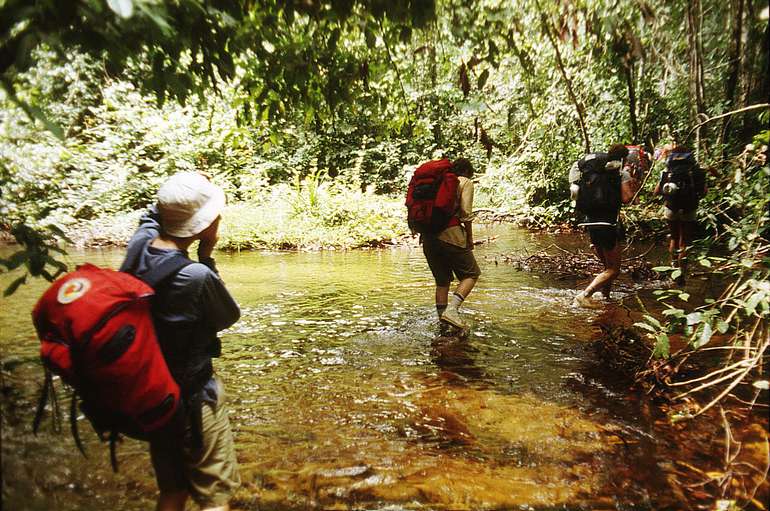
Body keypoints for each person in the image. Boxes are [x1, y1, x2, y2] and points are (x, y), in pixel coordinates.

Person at [119, 172, 241, 511]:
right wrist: (207, 255)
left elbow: (152, 214)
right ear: (203, 224)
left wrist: (188, 188)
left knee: (172, 490)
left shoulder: (139, 245)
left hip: (153, 398)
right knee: (214, 497)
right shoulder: (195, 275)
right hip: (192, 399)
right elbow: (227, 317)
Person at [571, 144, 639, 307]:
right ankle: (585, 295)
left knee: (607, 267)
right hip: (608, 223)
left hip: (592, 221)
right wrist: (633, 186)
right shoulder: (620, 174)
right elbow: (626, 198)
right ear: (622, 159)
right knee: (614, 270)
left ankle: (606, 298)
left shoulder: (592, 174)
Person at [421, 158, 481, 330]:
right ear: (468, 172)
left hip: (428, 238)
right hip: (451, 234)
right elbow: (465, 213)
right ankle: (452, 311)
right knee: (471, 274)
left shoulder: (437, 183)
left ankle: (443, 323)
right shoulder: (465, 182)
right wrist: (469, 238)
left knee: (442, 282)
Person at [653, 145, 706, 285]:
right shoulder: (696, 171)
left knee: (674, 237)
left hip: (671, 207)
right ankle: (682, 272)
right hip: (690, 207)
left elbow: (657, 191)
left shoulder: (667, 170)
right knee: (684, 241)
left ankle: (673, 267)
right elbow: (704, 191)